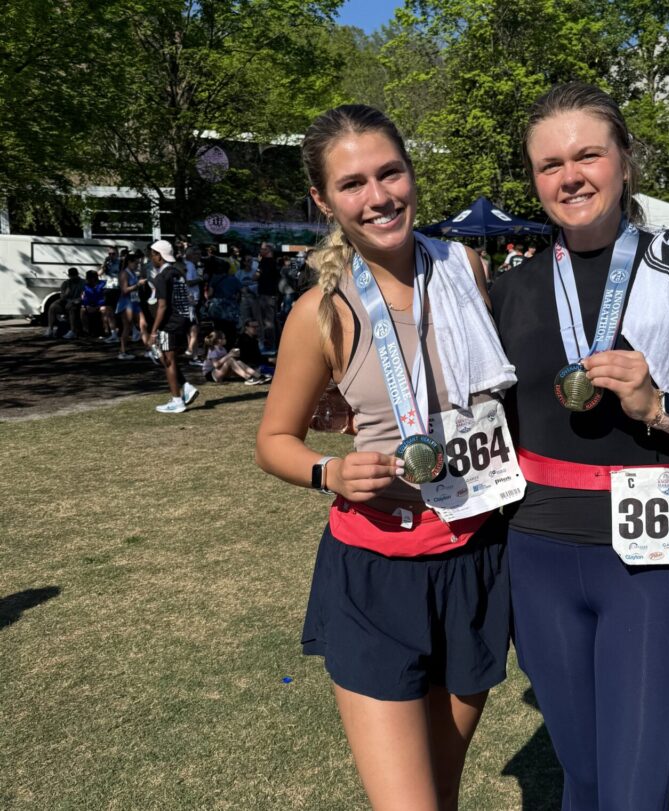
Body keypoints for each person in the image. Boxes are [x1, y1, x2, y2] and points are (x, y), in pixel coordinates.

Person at [490, 82, 669, 810]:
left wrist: (659, 404)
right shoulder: (509, 289)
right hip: (538, 550)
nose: (570, 176)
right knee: (582, 778)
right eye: (550, 164)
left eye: (588, 154)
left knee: (634, 792)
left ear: (624, 160)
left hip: (650, 559)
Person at [255, 104, 519, 811]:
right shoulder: (322, 312)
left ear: (411, 173)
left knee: (444, 790)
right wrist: (330, 471)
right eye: (353, 184)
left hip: (473, 559)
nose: (378, 197)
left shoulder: (466, 267)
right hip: (376, 574)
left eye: (390, 172)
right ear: (324, 201)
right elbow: (273, 441)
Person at [147, 239, 200, 413]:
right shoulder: (177, 273)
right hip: (182, 319)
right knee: (166, 357)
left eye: (153, 254)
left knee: (167, 360)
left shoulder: (162, 277)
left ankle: (177, 400)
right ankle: (185, 386)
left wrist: (153, 331)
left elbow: (162, 305)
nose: (151, 257)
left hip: (170, 322)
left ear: (159, 256)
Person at [201, 330, 266, 384]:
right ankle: (248, 378)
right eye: (224, 338)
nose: (225, 340)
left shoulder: (223, 349)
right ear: (219, 340)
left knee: (238, 362)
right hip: (211, 374)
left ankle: (259, 376)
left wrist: (233, 355)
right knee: (230, 360)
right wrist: (229, 355)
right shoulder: (212, 350)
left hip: (220, 371)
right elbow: (216, 365)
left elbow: (226, 362)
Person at [43, 267, 85, 339]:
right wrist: (66, 293)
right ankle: (50, 329)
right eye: (71, 276)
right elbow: (62, 297)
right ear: (69, 276)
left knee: (72, 308)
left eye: (74, 275)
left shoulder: (83, 283)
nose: (73, 277)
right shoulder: (66, 283)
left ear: (77, 275)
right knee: (53, 307)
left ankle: (72, 331)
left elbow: (83, 296)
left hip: (77, 303)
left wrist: (72, 302)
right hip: (66, 302)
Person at [116, 252, 143, 359]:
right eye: (135, 263)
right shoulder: (124, 273)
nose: (137, 265)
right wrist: (138, 285)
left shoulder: (132, 273)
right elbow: (124, 290)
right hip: (126, 303)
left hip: (135, 302)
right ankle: (122, 351)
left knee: (143, 324)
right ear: (129, 262)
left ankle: (149, 349)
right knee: (127, 327)